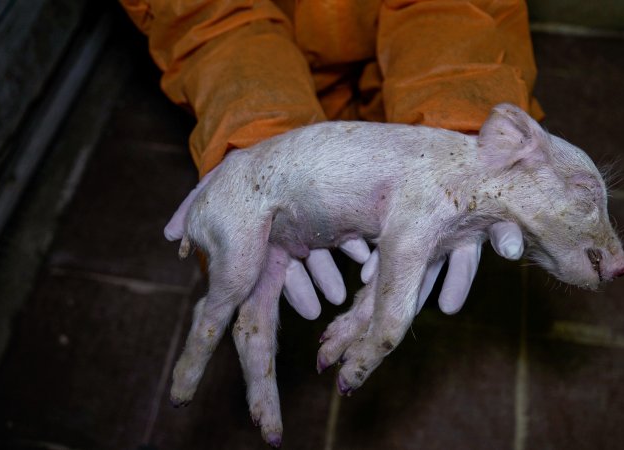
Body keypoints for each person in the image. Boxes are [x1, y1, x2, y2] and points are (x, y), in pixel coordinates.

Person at [120, 0, 541, 444]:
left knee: (392, 254)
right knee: (255, 282)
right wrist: (258, 128)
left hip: (408, 84)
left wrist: (459, 120)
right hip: (264, 78)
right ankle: (198, 363)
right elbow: (206, 13)